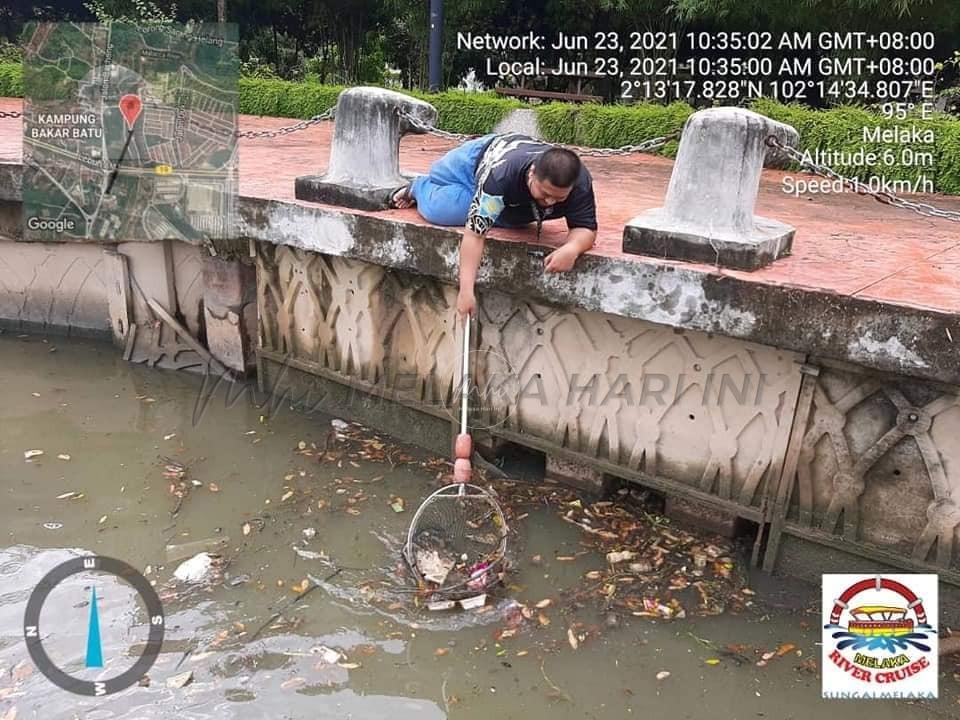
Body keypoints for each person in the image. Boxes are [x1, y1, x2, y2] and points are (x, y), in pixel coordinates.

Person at [391, 133, 598, 317]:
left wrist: (572, 248)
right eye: (544, 193)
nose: (550, 202)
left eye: (559, 197)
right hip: (476, 159)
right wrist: (466, 290)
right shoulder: (501, 176)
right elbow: (475, 235)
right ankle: (418, 187)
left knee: (483, 213)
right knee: (439, 202)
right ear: (532, 173)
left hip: (509, 204)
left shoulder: (579, 182)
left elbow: (586, 228)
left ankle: (477, 202)